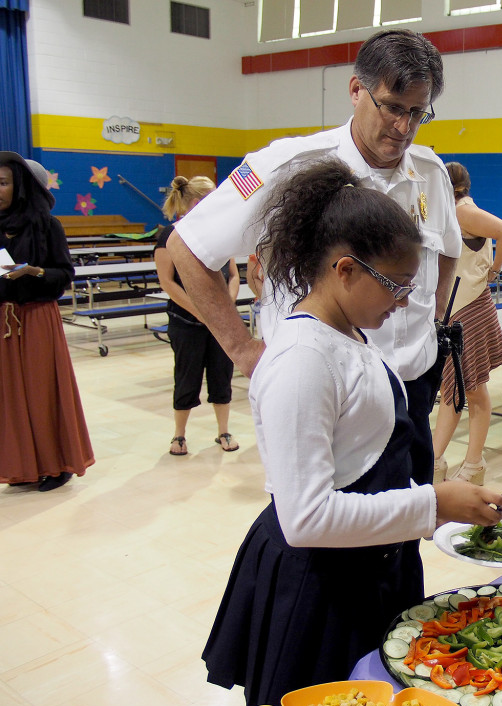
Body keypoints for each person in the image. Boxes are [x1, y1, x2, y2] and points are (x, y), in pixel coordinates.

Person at [201, 159, 502, 706]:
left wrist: (432, 510)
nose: (402, 303)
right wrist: (432, 501)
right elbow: (306, 518)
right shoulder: (303, 360)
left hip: (363, 567)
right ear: (344, 270)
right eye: (396, 286)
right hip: (320, 585)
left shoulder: (347, 334)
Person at [167, 29, 460, 486]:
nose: (404, 127)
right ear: (356, 90)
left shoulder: (431, 173)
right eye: (392, 107)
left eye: (417, 113)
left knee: (405, 533)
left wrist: (434, 317)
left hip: (411, 389)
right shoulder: (287, 166)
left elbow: (448, 254)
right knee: (324, 537)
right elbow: (186, 246)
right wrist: (242, 350)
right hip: (328, 397)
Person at [0, 151, 94, 491]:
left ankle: (57, 466)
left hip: (38, 317)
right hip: (4, 321)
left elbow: (64, 274)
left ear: (21, 186)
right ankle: (22, 466)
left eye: (3, 182)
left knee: (43, 394)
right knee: (9, 396)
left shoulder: (47, 225)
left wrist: (34, 271)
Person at [431, 161, 502, 485]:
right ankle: (468, 464)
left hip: (466, 307)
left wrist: (495, 269)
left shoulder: (462, 211)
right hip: (461, 306)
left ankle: (445, 462)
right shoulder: (453, 212)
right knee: (470, 389)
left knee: (459, 389)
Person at [154, 176, 240, 456]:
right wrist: (201, 310)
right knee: (187, 376)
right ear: (196, 202)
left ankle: (223, 431)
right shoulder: (171, 235)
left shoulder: (219, 233)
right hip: (186, 322)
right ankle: (179, 435)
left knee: (221, 375)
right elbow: (167, 282)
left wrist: (224, 307)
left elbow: (234, 275)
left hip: (220, 322)